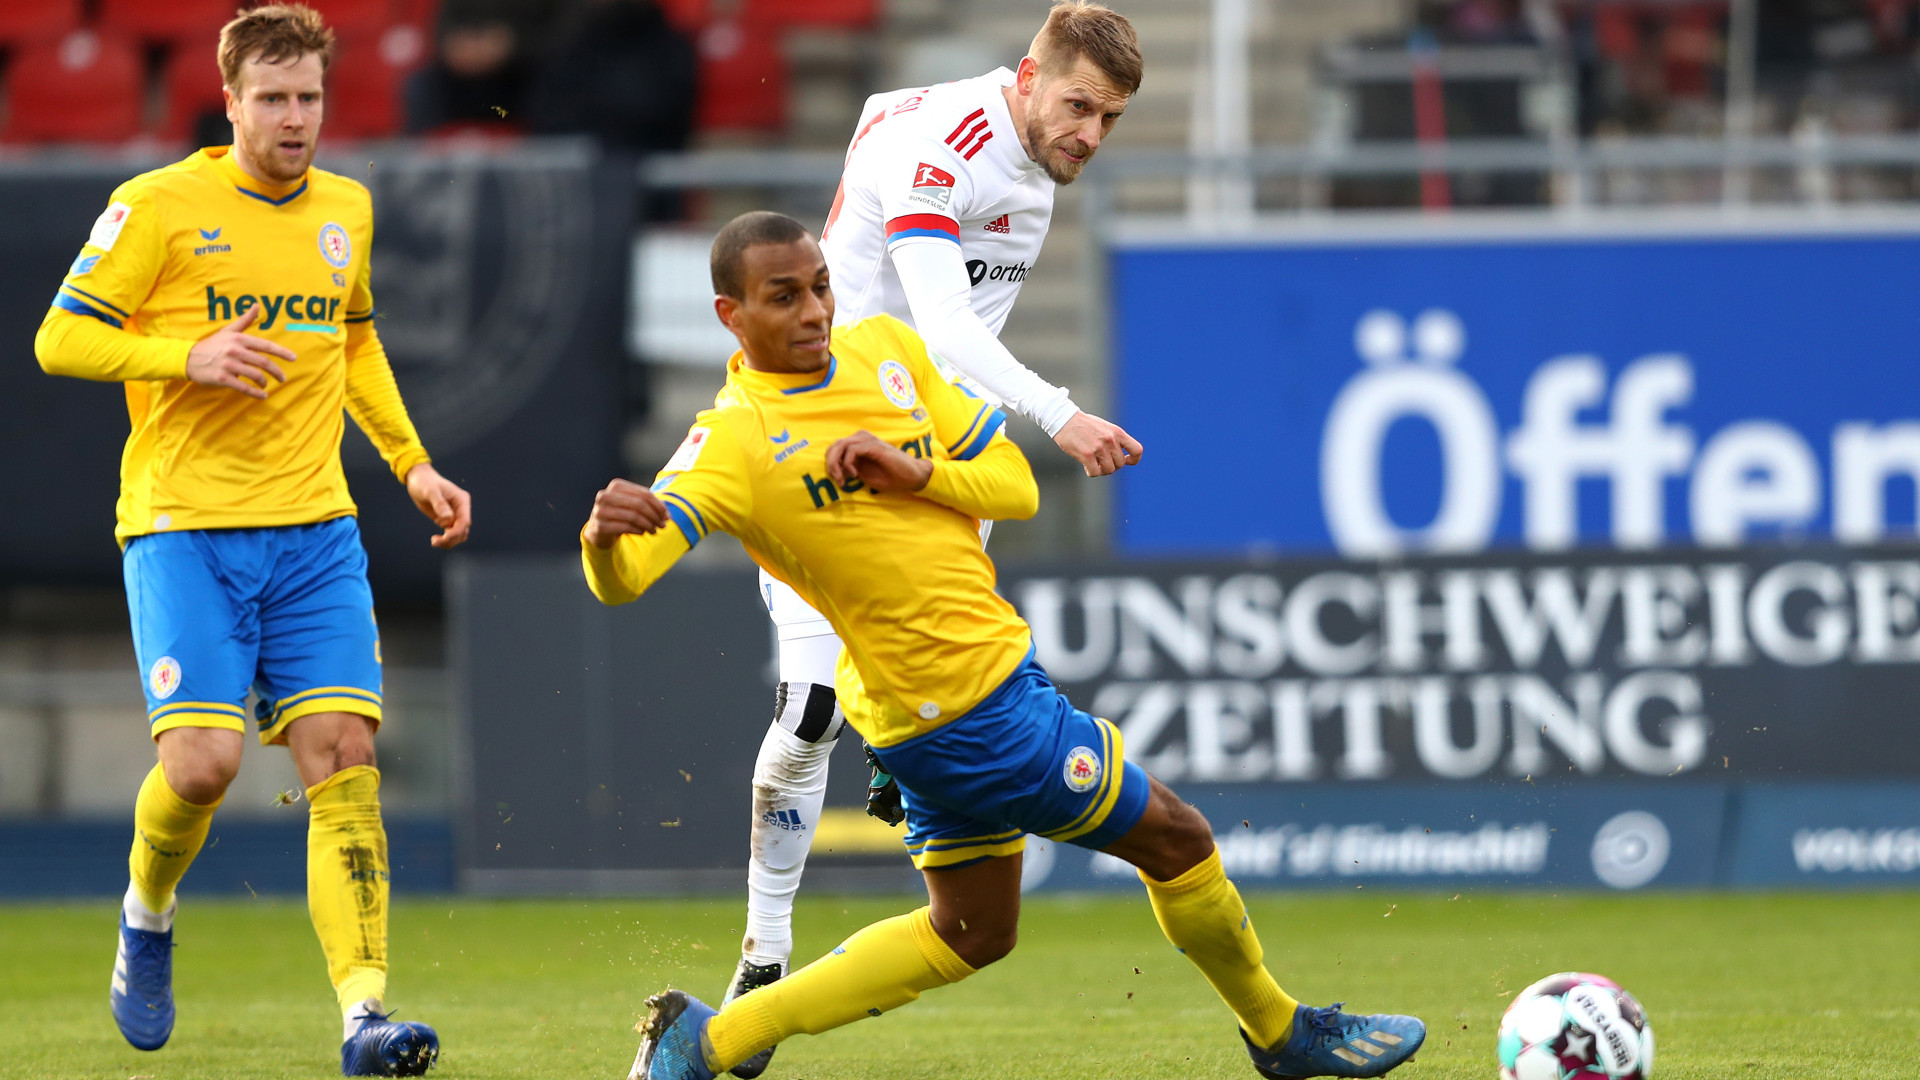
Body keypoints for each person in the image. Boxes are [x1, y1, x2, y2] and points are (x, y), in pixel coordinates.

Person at [581, 211, 1426, 1080]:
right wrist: (604, 541)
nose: (814, 311)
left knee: (973, 931)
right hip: (966, 714)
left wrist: (918, 473)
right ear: (731, 315)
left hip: (960, 697)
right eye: (784, 296)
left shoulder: (886, 350)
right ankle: (1281, 1035)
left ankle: (706, 1043)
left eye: (821, 287)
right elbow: (625, 579)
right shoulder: (734, 441)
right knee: (1178, 839)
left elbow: (1014, 485)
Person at [33, 5, 470, 1075]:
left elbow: (354, 340)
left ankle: (364, 1017)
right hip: (185, 526)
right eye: (272, 98)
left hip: (315, 530)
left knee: (346, 756)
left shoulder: (346, 209)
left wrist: (411, 461)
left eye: (309, 97)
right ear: (229, 102)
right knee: (202, 768)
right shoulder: (157, 205)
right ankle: (147, 909)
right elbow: (59, 337)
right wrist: (186, 355)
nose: (294, 118)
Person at [727, 8, 1148, 1062]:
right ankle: (763, 955)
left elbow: (957, 353)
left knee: (931, 702)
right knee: (811, 715)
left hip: (930, 464)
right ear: (1027, 75)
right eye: (1079, 106)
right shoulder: (940, 145)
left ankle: (899, 761)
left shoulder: (1036, 169)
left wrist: (956, 466)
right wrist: (1063, 415)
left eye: (1111, 119)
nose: (1091, 135)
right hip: (820, 444)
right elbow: (945, 323)